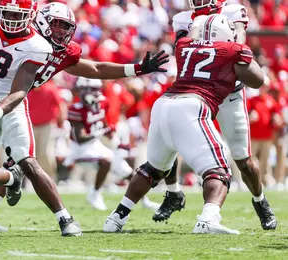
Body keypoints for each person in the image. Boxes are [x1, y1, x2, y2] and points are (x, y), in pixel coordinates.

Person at [0, 2, 168, 233]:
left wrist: (136, 69)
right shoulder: (26, 37)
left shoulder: (62, 52)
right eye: (57, 25)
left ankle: (64, 219)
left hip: (14, 102)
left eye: (66, 27)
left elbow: (97, 69)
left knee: (26, 159)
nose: (61, 31)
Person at [103, 13, 264, 235]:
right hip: (192, 106)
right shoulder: (232, 49)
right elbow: (258, 79)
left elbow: (183, 34)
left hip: (164, 104)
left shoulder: (184, 45)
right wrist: (240, 40)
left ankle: (116, 217)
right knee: (219, 171)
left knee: (153, 168)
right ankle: (208, 218)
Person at [159, 0, 277, 231]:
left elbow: (241, 49)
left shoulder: (234, 13)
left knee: (243, 159)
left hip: (228, 92)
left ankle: (260, 201)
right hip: (197, 90)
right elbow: (182, 50)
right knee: (168, 140)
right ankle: (173, 191)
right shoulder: (182, 19)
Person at [64, 77, 134, 211]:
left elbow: (104, 122)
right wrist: (101, 132)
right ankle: (95, 194)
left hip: (96, 146)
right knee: (105, 161)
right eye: (85, 89)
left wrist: (113, 137)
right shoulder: (76, 109)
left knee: (128, 171)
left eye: (92, 89)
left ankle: (145, 201)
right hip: (80, 149)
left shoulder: (103, 103)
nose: (88, 92)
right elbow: (80, 138)